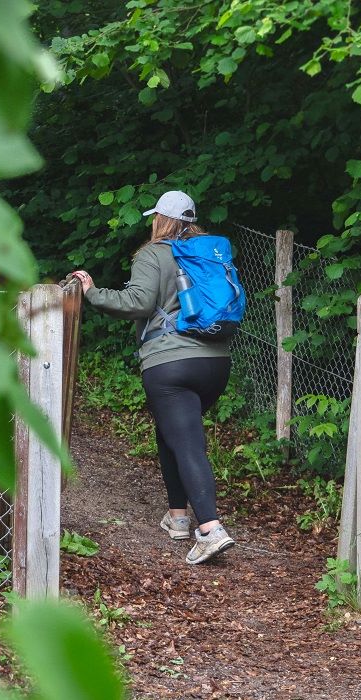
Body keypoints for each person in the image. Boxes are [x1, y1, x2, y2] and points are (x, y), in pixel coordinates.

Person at [70, 190, 237, 564]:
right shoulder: (208, 254)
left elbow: (138, 304)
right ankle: (178, 517)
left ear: (160, 219)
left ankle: (210, 529)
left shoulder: (153, 253)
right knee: (172, 434)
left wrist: (92, 292)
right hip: (215, 362)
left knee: (188, 442)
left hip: (170, 364)